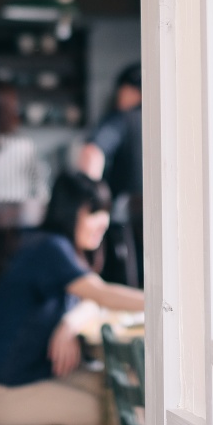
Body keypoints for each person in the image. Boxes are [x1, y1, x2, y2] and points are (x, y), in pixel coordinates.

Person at [0, 173, 144, 425]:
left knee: (119, 387)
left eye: (105, 212)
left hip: (21, 376)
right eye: (94, 212)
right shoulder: (50, 249)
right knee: (111, 410)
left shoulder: (54, 246)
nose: (103, 222)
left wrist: (67, 325)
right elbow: (101, 295)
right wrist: (164, 304)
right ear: (69, 212)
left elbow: (91, 301)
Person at [78, 64, 143, 285]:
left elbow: (92, 152)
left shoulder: (122, 119)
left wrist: (93, 201)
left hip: (125, 241)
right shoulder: (175, 122)